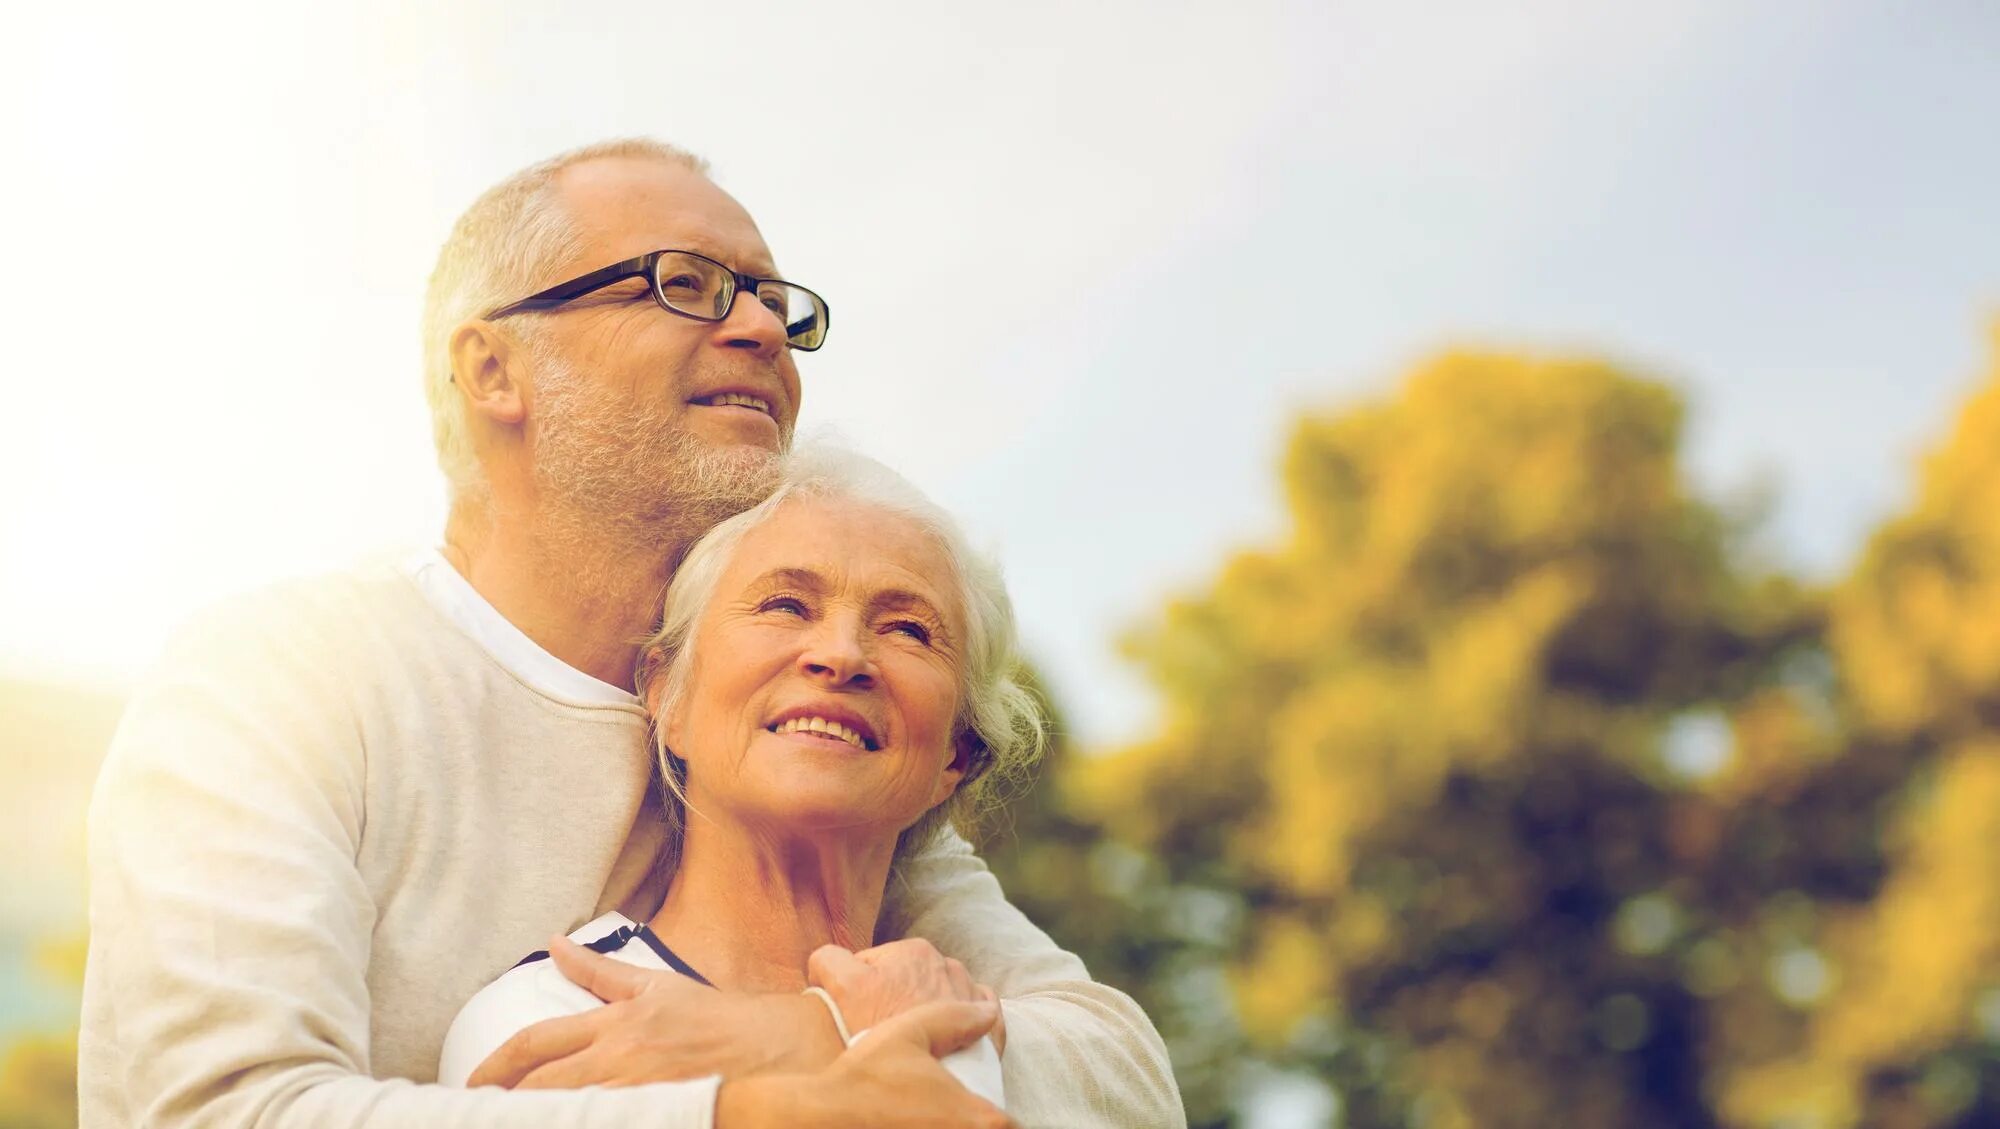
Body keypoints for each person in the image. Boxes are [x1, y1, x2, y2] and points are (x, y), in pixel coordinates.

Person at [79, 138, 1183, 1128]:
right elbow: (224, 1108)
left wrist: (793, 1032)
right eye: (686, 285)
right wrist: (746, 1110)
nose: (760, 327)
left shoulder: (793, 743)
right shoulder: (284, 674)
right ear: (492, 369)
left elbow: (1116, 1076)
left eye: (772, 303)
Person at [438, 447, 1032, 1120]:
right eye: (785, 604)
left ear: (956, 756)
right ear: (671, 697)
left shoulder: (975, 1020)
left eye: (908, 629)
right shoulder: (557, 1013)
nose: (841, 654)